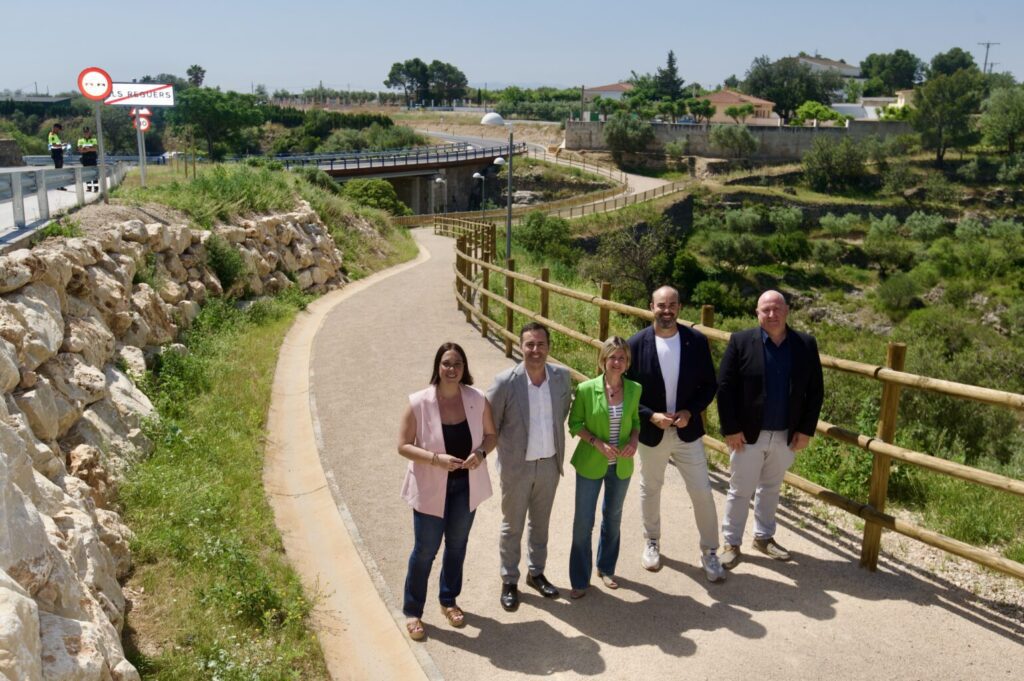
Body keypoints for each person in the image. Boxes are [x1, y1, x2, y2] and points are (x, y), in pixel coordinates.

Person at [716, 290, 824, 569]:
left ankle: (764, 537)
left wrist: (805, 430)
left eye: (777, 309)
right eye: (766, 310)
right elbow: (725, 389)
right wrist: (730, 428)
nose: (772, 315)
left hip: (786, 433)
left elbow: (815, 392)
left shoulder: (805, 344)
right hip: (747, 434)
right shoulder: (741, 342)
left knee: (771, 488)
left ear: (787, 311)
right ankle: (731, 542)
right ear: (757, 313)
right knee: (740, 489)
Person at [626, 285, 725, 582]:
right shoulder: (635, 344)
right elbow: (626, 391)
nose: (666, 310)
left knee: (702, 492)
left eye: (672, 305)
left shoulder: (696, 340)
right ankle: (652, 541)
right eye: (661, 305)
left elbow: (709, 385)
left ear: (680, 307)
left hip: (687, 431)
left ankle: (709, 551)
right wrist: (649, 415)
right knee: (650, 488)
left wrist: (690, 412)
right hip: (653, 431)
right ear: (651, 306)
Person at [398, 342, 496, 641]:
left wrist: (480, 453)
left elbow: (491, 436)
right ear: (437, 367)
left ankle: (448, 600)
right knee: (425, 551)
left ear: (464, 368)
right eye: (446, 363)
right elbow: (402, 445)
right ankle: (413, 611)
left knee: (457, 546)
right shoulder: (419, 402)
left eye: (457, 364)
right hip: (431, 487)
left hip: (465, 487)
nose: (451, 369)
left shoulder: (477, 399)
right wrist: (436, 460)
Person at [486, 322, 572, 611]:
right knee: (512, 526)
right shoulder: (505, 382)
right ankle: (509, 579)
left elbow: (562, 415)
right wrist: (505, 460)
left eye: (540, 344)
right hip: (517, 469)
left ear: (549, 347)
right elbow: (491, 426)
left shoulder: (562, 378)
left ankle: (536, 573)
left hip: (549, 464)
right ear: (521, 346)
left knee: (541, 524)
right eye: (529, 345)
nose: (535, 350)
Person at [567, 336, 641, 598]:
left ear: (627, 362)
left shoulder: (634, 389)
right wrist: (597, 442)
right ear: (603, 360)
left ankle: (606, 568)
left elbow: (635, 422)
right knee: (583, 522)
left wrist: (633, 441)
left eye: (622, 358)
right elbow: (574, 424)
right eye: (612, 357)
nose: (617, 362)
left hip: (621, 466)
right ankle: (579, 578)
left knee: (613, 519)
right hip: (590, 463)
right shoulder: (587, 389)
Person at [77, 127, 99, 193]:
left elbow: (95, 149)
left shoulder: (94, 139)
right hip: (85, 159)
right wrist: (89, 148)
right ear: (83, 133)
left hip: (92, 158)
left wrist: (86, 149)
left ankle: (96, 188)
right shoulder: (80, 140)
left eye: (87, 132)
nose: (86, 133)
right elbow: (80, 150)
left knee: (94, 173)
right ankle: (89, 187)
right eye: (85, 132)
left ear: (90, 132)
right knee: (87, 173)